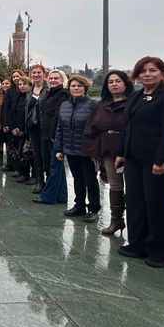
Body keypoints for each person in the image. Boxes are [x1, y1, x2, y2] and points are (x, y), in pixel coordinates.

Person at [116, 56, 164, 268]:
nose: (147, 74)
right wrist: (121, 152)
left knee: (158, 205)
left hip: (155, 161)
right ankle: (137, 243)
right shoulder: (137, 96)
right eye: (143, 71)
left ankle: (160, 251)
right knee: (135, 202)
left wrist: (161, 159)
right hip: (133, 158)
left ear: (162, 73)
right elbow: (127, 126)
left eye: (152, 70)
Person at [83, 70, 134, 236]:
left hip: (130, 151)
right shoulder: (101, 105)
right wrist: (93, 150)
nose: (114, 84)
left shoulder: (134, 103)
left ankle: (136, 224)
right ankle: (116, 219)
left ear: (125, 83)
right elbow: (91, 128)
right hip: (108, 150)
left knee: (134, 188)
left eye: (118, 81)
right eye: (110, 82)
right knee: (115, 185)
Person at [54, 75, 99, 222]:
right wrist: (59, 149)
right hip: (70, 149)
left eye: (79, 86)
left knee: (90, 180)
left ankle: (93, 208)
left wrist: (95, 150)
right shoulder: (65, 105)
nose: (76, 88)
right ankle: (79, 205)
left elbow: (97, 129)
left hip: (87, 150)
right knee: (77, 179)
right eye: (73, 86)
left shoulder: (93, 105)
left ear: (85, 88)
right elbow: (60, 127)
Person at [33, 70, 71, 205]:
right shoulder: (50, 93)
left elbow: (58, 115)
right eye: (51, 78)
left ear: (62, 80)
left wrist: (55, 135)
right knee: (54, 166)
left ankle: (48, 196)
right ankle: (61, 195)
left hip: (54, 135)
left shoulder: (63, 94)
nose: (53, 80)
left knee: (54, 166)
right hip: (46, 133)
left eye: (56, 78)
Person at [24, 65, 47, 190]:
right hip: (33, 126)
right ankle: (39, 181)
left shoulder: (48, 89)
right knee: (36, 154)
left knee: (46, 154)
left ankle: (49, 181)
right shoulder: (29, 90)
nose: (36, 75)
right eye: (34, 72)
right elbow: (26, 108)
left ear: (43, 73)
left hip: (46, 126)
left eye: (39, 72)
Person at [8, 77, 32, 182]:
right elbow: (12, 113)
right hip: (16, 129)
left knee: (28, 153)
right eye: (20, 84)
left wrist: (23, 129)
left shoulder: (31, 98)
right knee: (19, 153)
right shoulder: (17, 97)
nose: (22, 86)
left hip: (27, 130)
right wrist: (13, 127)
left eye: (24, 84)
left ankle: (32, 175)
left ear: (30, 85)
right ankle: (22, 172)